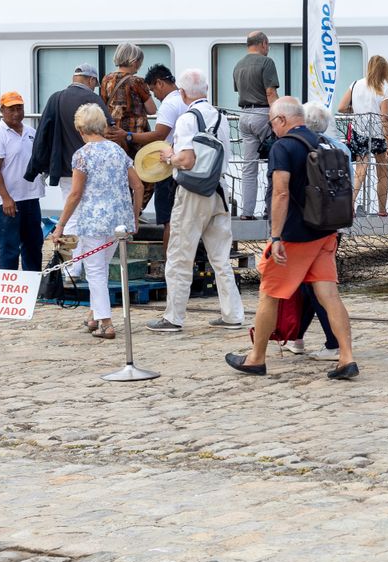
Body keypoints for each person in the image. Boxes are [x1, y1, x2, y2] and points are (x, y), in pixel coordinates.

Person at [225, 97, 358, 380]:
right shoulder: (324, 142)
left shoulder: (283, 147)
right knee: (330, 296)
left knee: (269, 294)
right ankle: (346, 357)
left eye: (272, 123)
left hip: (296, 236)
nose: (272, 129)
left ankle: (256, 358)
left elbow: (281, 192)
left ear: (282, 120)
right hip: (325, 232)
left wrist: (276, 236)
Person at [147, 69, 244, 333]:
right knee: (221, 257)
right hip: (219, 189)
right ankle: (233, 314)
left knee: (180, 254)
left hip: (193, 192)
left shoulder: (187, 119)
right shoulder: (221, 118)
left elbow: (187, 160)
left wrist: (169, 156)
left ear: (182, 92)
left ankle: (174, 317)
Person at [52, 103, 138, 340]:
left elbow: (75, 194)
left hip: (93, 221)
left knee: (95, 272)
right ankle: (94, 315)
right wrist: (134, 216)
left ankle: (106, 323)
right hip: (118, 221)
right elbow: (138, 185)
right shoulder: (118, 151)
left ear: (80, 128)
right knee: (101, 266)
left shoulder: (82, 155)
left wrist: (60, 225)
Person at [288, 101, 353, 360]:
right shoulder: (341, 148)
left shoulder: (302, 148)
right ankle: (297, 336)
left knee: (314, 285)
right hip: (334, 220)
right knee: (310, 283)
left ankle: (332, 341)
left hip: (308, 223)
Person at [0, 90, 45, 272]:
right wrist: (6, 198)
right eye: (11, 109)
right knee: (9, 248)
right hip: (9, 202)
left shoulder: (31, 132)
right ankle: (8, 289)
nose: (16, 113)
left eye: (20, 108)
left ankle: (32, 288)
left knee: (33, 246)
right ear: (2, 110)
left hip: (31, 198)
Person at [25, 63, 114, 187]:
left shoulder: (55, 98)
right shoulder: (93, 98)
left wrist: (35, 168)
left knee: (70, 203)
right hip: (92, 169)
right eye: (95, 84)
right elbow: (109, 131)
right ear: (91, 80)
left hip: (65, 170)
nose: (94, 87)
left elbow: (41, 135)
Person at [131, 65, 185, 243]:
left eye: (154, 91)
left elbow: (159, 134)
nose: (156, 96)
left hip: (168, 167)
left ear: (160, 83)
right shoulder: (187, 100)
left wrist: (130, 136)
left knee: (168, 220)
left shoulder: (169, 104)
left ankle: (169, 266)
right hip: (187, 163)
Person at [100, 43, 152, 217]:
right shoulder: (137, 82)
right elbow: (152, 109)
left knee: (120, 176)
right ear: (134, 61)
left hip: (112, 136)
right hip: (134, 137)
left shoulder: (106, 79)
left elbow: (102, 106)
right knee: (146, 176)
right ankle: (135, 211)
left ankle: (122, 211)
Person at [337, 54, 388, 216]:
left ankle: (350, 204)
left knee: (360, 171)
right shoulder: (384, 89)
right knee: (382, 174)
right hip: (378, 135)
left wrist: (356, 111)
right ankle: (382, 211)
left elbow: (341, 107)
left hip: (359, 132)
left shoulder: (355, 84)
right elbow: (385, 118)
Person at [233, 31, 280, 220]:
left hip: (244, 116)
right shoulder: (266, 63)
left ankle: (247, 212)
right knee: (276, 161)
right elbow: (270, 93)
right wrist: (278, 116)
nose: (268, 49)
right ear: (263, 43)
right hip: (262, 115)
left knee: (249, 166)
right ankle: (271, 209)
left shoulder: (238, 65)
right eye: (267, 45)